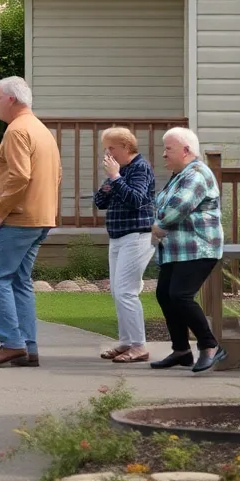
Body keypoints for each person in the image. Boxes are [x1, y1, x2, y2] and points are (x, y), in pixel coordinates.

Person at [0, 77, 62, 368]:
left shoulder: (16, 131)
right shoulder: (41, 129)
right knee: (19, 281)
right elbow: (57, 174)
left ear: (12, 100)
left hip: (19, 219)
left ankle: (11, 343)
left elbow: (19, 176)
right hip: (41, 217)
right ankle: (28, 346)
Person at [150, 127, 227, 373]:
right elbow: (162, 206)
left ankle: (210, 346)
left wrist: (159, 225)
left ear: (185, 151)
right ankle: (182, 351)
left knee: (180, 296)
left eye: (168, 149)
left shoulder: (196, 174)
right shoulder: (179, 174)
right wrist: (158, 224)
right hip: (177, 250)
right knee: (165, 294)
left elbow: (176, 208)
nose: (163, 154)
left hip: (199, 247)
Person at [92, 127, 157, 363]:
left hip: (137, 235)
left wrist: (116, 179)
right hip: (118, 236)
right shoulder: (119, 170)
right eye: (105, 148)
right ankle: (126, 342)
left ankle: (139, 346)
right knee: (117, 291)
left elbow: (136, 200)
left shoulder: (140, 167)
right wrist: (113, 179)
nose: (107, 153)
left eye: (111, 148)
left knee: (126, 291)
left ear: (126, 147)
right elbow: (100, 200)